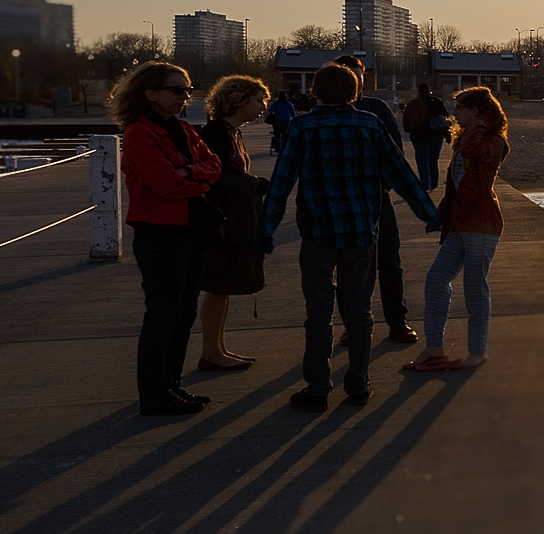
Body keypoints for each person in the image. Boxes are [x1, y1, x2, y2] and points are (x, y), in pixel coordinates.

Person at [259, 62, 440, 411]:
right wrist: (429, 216)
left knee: (318, 314)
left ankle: (317, 388)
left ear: (315, 90)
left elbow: (281, 184)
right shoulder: (369, 124)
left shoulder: (302, 126)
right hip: (361, 232)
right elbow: (401, 175)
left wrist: (266, 231)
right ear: (355, 91)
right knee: (359, 312)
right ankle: (358, 382)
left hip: (317, 233)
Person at [113, 61, 220, 416]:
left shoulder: (183, 129)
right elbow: (164, 184)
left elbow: (214, 165)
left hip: (193, 229)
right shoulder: (139, 135)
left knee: (184, 312)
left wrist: (190, 172)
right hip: (160, 234)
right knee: (162, 314)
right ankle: (155, 393)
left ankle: (171, 384)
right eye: (177, 90)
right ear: (151, 94)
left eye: (187, 89)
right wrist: (195, 179)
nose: (185, 96)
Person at [405, 87, 510, 372]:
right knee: (436, 279)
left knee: (475, 291)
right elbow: (455, 189)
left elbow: (473, 151)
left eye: (461, 109)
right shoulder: (466, 140)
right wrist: (438, 216)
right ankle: (435, 346)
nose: (454, 114)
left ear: (476, 111)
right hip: (460, 225)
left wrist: (480, 126)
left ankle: (477, 351)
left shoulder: (494, 141)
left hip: (482, 225)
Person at [330, 54, 418, 343]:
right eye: (349, 76)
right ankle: (351, 325)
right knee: (347, 266)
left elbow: (396, 152)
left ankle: (397, 321)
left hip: (376, 198)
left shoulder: (377, 108)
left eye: (359, 75)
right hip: (341, 203)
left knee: (390, 262)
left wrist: (384, 183)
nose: (356, 82)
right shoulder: (326, 113)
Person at [197, 75, 271, 372]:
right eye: (258, 100)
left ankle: (217, 348)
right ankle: (211, 352)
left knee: (222, 287)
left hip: (230, 219)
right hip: (222, 221)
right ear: (239, 100)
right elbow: (211, 178)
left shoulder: (232, 132)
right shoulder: (217, 132)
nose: (263, 107)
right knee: (217, 287)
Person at [401, 82, 448, 190]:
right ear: (429, 90)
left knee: (422, 159)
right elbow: (445, 117)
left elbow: (406, 119)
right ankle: (434, 183)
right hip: (435, 134)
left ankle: (424, 184)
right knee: (433, 159)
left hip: (418, 135)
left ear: (418, 91)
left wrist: (409, 129)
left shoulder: (413, 103)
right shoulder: (437, 102)